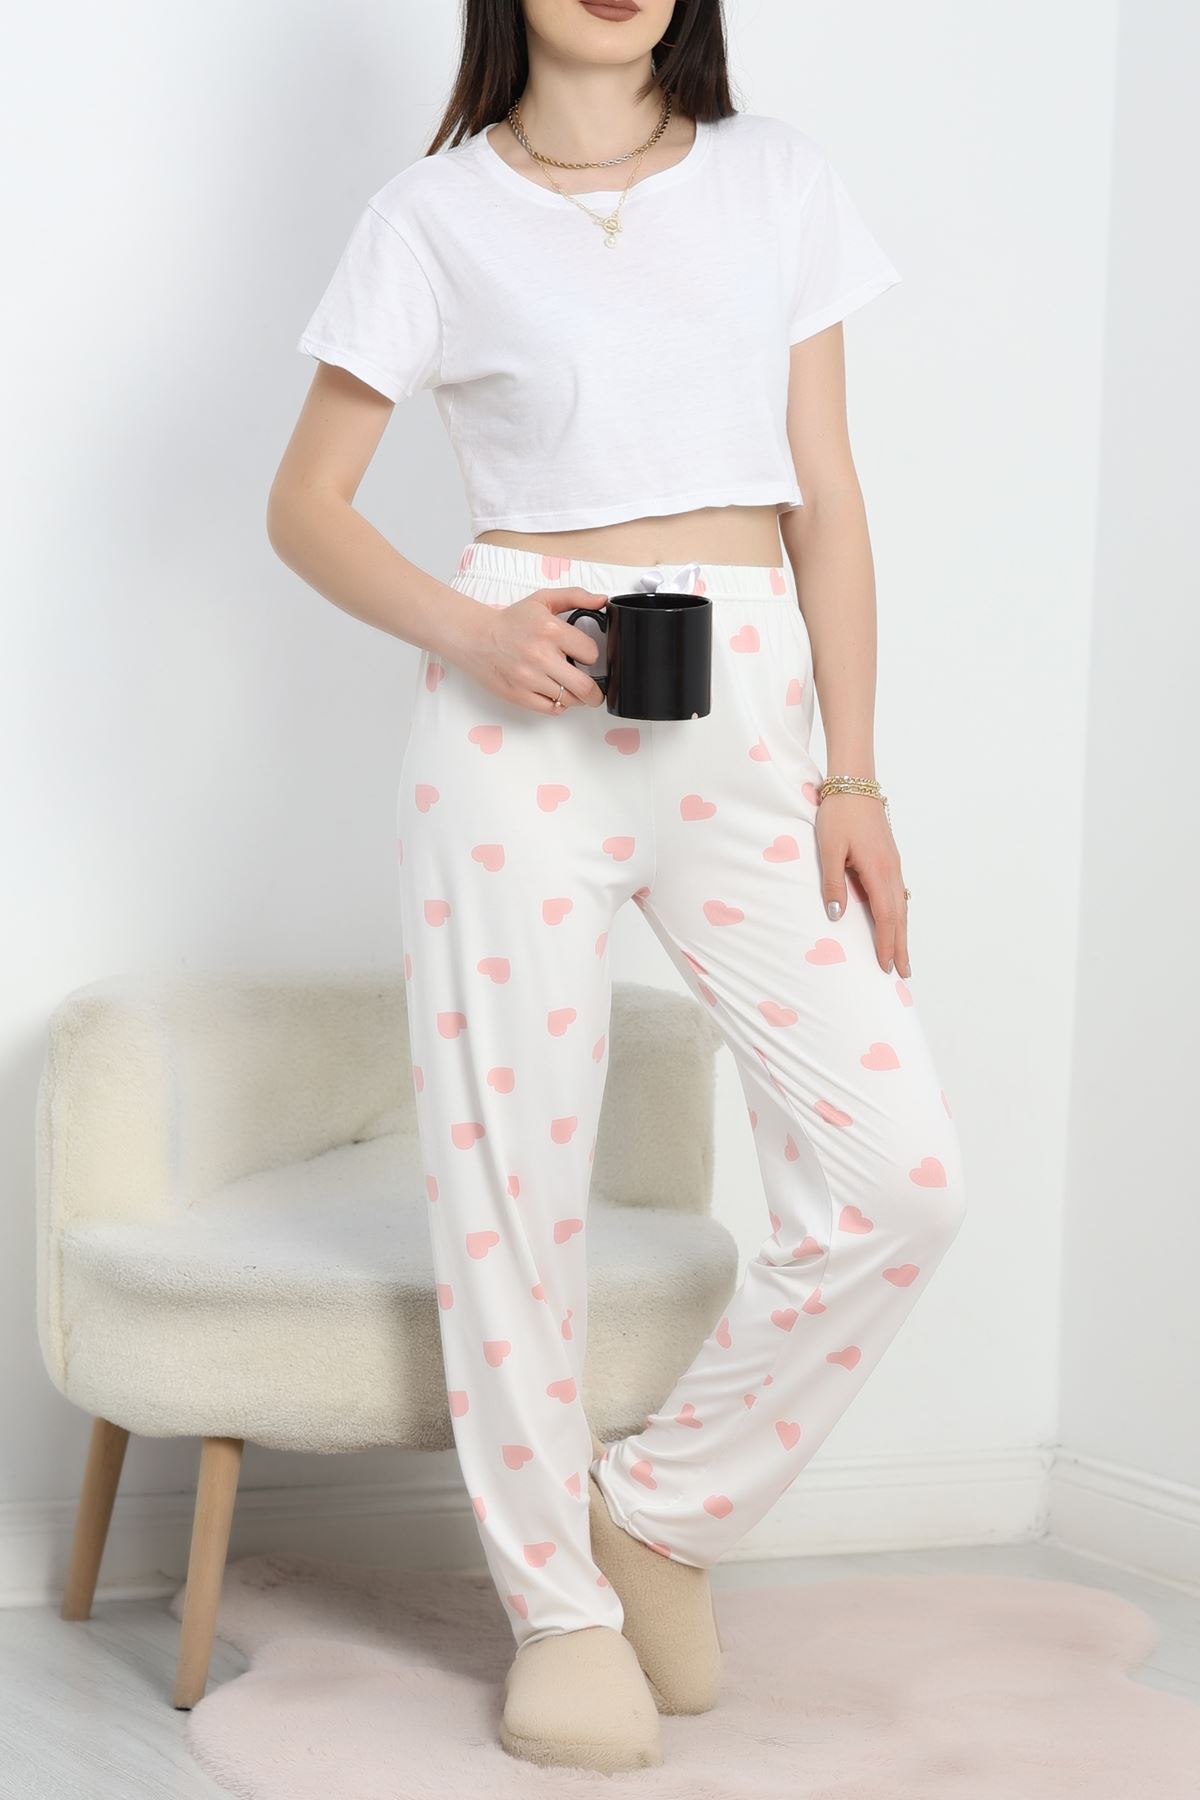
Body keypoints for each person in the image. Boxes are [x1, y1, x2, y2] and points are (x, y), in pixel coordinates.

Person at [267, 0, 967, 1774]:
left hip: (754, 711)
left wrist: (856, 775)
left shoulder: (775, 180)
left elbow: (829, 498)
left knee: (901, 1179)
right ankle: (556, 1607)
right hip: (522, 718)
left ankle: (654, 1518)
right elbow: (309, 504)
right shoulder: (433, 215)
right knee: (513, 1180)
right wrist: (474, 630)